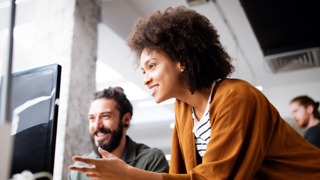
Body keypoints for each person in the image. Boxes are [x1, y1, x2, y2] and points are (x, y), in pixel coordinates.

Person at [69, 6, 320, 179]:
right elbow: (184, 173)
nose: (146, 79)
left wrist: (130, 175)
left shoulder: (236, 98)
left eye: (152, 66)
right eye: (143, 70)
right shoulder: (183, 108)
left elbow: (216, 179)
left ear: (182, 60)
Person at [68, 87, 169, 180]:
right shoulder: (80, 168)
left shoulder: (151, 160)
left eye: (105, 116)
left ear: (126, 119)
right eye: (92, 118)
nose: (97, 126)